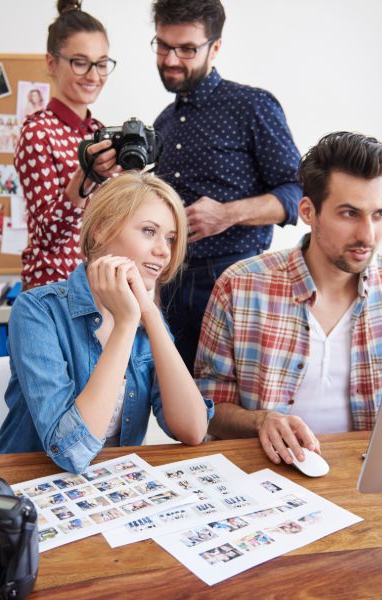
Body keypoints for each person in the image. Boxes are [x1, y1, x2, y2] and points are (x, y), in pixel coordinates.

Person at [195, 131, 382, 466]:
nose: (367, 236)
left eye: (379, 214)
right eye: (349, 213)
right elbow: (207, 407)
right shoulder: (240, 287)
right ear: (307, 211)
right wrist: (261, 420)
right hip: (269, 476)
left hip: (366, 474)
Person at [0, 172, 214, 473]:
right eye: (149, 231)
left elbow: (192, 429)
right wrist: (125, 324)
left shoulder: (147, 316)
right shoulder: (38, 310)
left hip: (111, 490)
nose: (164, 250)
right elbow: (70, 452)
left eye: (171, 238)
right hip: (33, 484)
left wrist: (148, 313)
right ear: (101, 229)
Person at [151, 0, 302, 372]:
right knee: (180, 410)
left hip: (234, 277)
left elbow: (297, 192)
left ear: (214, 47)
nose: (171, 59)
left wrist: (227, 214)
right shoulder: (164, 122)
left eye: (187, 49)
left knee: (234, 408)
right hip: (170, 282)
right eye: (163, 45)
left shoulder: (252, 106)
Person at [16, 0, 121, 290]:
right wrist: (85, 177)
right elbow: (48, 237)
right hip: (53, 291)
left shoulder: (99, 131)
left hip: (96, 288)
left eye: (101, 64)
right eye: (80, 62)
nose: (94, 75)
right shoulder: (38, 132)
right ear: (52, 63)